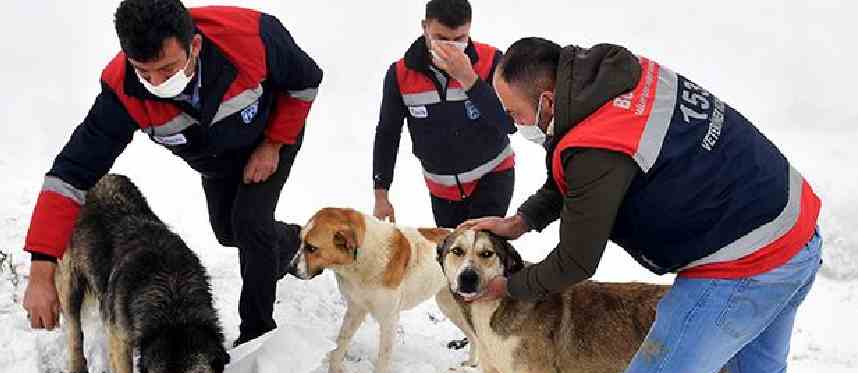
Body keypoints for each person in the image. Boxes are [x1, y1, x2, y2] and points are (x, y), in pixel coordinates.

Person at [464, 37, 823, 373]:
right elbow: (576, 177)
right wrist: (521, 221)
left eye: (512, 109)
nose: (508, 119)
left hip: (747, 259)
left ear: (544, 100)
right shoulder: (606, 81)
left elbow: (575, 262)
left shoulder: (593, 142)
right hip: (794, 227)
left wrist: (510, 286)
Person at [21, 0, 322, 347]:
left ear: (194, 45)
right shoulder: (122, 92)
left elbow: (305, 82)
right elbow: (71, 173)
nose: (155, 83)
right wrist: (41, 271)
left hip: (270, 138)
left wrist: (273, 144)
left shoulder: (253, 37)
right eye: (143, 72)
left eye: (167, 69)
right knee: (227, 231)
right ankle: (294, 241)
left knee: (250, 222)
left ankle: (257, 334)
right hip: (215, 159)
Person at [372, 0, 515, 228]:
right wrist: (381, 194)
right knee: (452, 258)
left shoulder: (492, 61)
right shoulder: (400, 75)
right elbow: (387, 133)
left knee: (480, 249)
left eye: (459, 40)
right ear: (424, 27)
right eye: (440, 38)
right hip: (441, 190)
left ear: (469, 30)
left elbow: (509, 124)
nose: (450, 46)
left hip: (492, 176)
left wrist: (470, 80)